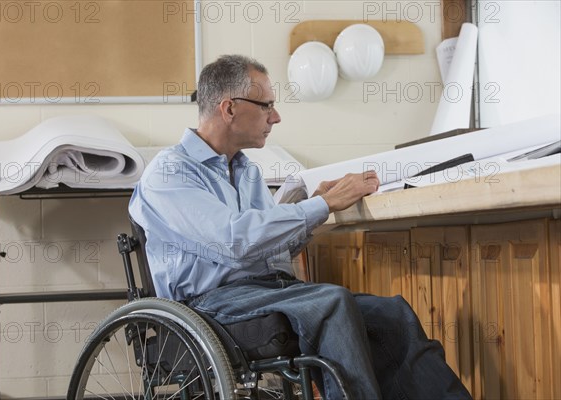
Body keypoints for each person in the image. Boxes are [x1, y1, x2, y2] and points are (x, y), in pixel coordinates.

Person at [129, 54, 472, 399]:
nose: (275, 117)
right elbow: (233, 242)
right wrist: (321, 205)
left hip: (267, 289)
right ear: (229, 108)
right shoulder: (171, 171)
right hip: (208, 304)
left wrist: (315, 209)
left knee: (391, 314)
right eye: (266, 106)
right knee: (331, 303)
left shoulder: (246, 170)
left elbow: (265, 247)